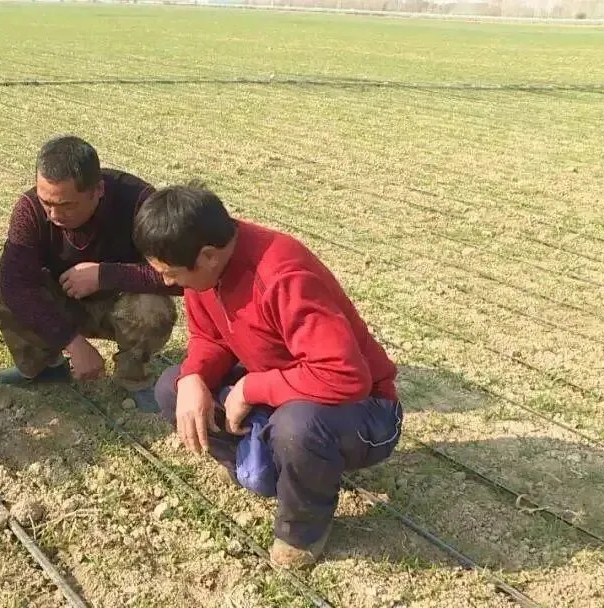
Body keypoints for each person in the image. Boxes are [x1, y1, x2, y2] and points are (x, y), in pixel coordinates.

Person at [134, 183, 403, 569]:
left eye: (171, 273)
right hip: (286, 385)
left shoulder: (282, 275)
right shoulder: (205, 267)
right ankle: (257, 468)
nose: (167, 283)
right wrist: (194, 375)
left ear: (208, 255)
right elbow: (210, 337)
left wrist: (251, 387)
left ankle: (303, 529)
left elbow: (344, 376)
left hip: (364, 409)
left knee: (299, 427)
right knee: (173, 387)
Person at [0, 135, 179, 411]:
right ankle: (44, 367)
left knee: (152, 307)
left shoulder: (139, 202)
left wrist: (105, 275)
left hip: (120, 308)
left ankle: (133, 377)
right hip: (59, 304)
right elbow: (14, 281)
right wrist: (72, 342)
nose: (53, 215)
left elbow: (178, 275)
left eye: (66, 205)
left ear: (98, 190)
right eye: (46, 202)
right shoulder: (29, 209)